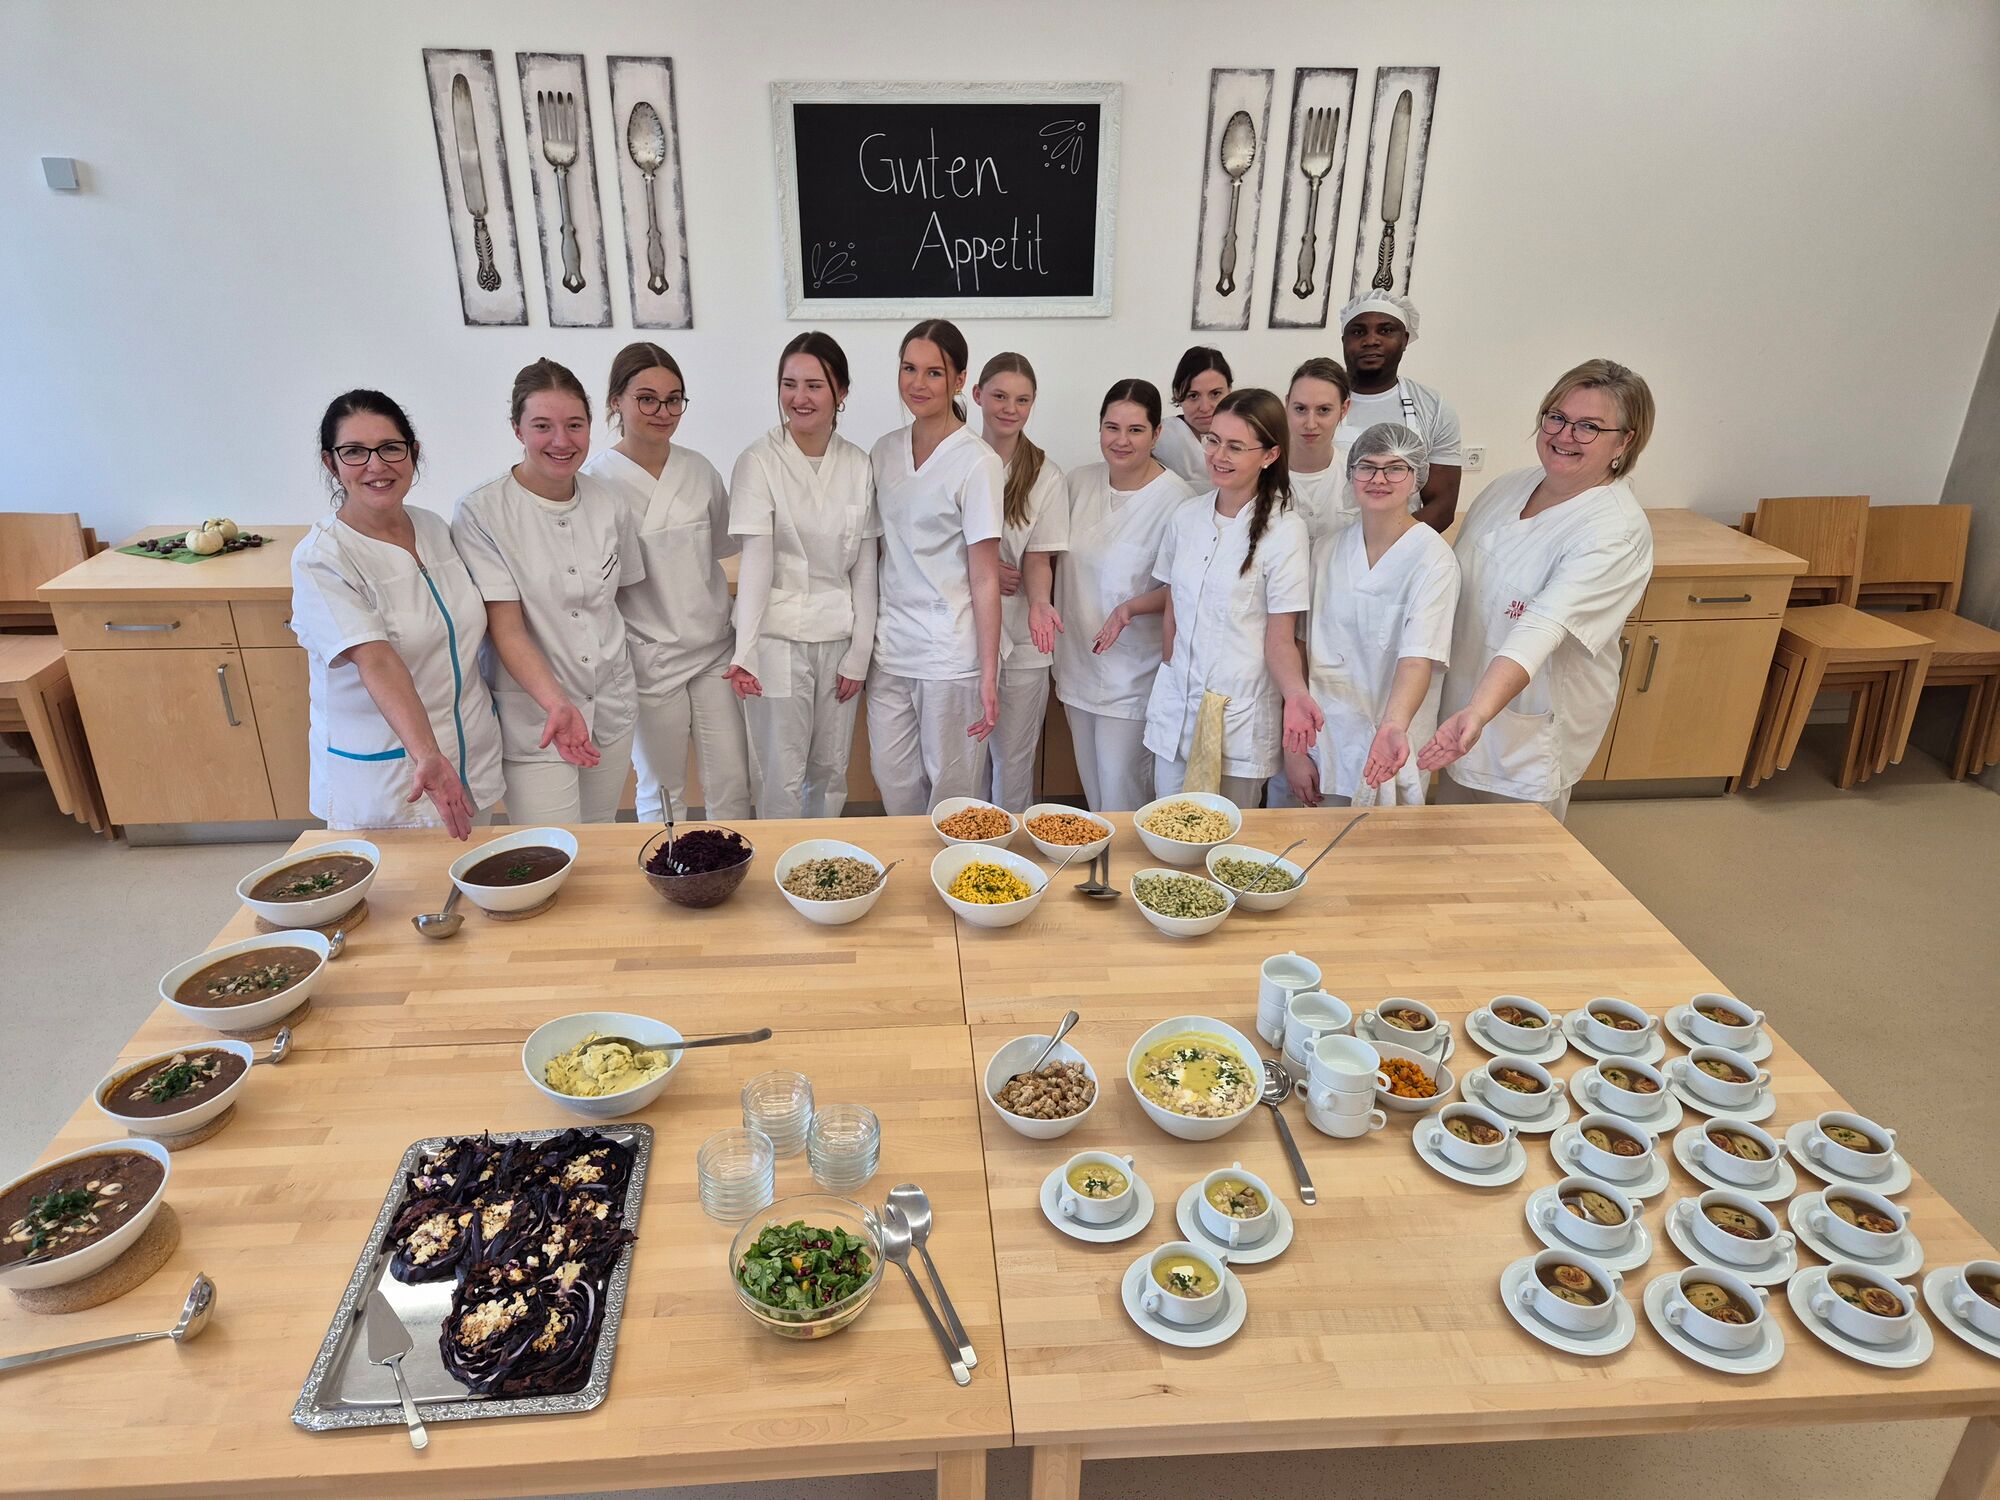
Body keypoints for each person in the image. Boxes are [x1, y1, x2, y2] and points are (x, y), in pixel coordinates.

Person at [1416, 359, 1658, 821]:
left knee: (1516, 851)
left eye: (1589, 426)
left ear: (1625, 441)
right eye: (1557, 417)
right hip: (1462, 710)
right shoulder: (1509, 488)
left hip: (1526, 726)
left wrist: (1479, 711)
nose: (1565, 435)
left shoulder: (1614, 532)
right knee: (1452, 839)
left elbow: (1540, 627)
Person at [291, 390, 504, 836]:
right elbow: (377, 660)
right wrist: (428, 754)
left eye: (390, 447)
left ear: (413, 453)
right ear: (331, 463)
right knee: (402, 883)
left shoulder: (434, 528)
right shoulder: (323, 557)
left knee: (473, 875)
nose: (376, 465)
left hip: (470, 760)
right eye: (354, 452)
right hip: (393, 777)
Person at [452, 358, 642, 824]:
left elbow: (617, 600)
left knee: (599, 837)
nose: (562, 441)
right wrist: (557, 702)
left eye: (574, 425)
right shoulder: (483, 511)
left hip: (610, 704)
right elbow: (506, 630)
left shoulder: (609, 502)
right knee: (550, 849)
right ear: (517, 429)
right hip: (536, 717)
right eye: (543, 426)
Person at [582, 343, 751, 823]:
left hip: (714, 650)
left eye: (673, 399)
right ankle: (666, 864)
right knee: (662, 787)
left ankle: (732, 861)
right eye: (647, 399)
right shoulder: (595, 484)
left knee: (732, 780)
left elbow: (720, 547)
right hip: (649, 659)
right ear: (616, 401)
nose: (663, 412)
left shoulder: (699, 470)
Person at [725, 332, 879, 820]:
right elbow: (757, 561)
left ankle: (820, 859)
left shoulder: (858, 464)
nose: (799, 397)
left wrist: (859, 653)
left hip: (838, 636)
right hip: (777, 639)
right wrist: (746, 650)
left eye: (815, 385)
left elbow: (865, 566)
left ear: (841, 392)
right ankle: (781, 860)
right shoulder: (758, 461)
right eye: (789, 384)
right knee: (780, 771)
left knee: (831, 770)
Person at [1140, 388, 1313, 805]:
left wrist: (1296, 697)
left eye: (1236, 447)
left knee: (1226, 832)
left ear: (1269, 455)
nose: (1219, 455)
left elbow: (1281, 638)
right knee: (1166, 822)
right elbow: (1173, 608)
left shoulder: (1285, 531)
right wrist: (1172, 665)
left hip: (1239, 715)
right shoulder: (1186, 517)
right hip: (1177, 708)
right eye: (1213, 440)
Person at [1281, 423, 1460, 807]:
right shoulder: (1325, 551)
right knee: (1307, 841)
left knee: (1381, 842)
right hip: (1321, 739)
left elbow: (1418, 659)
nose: (1379, 479)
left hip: (1390, 741)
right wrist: (1295, 751)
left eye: (1395, 468)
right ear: (1351, 475)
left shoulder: (1433, 560)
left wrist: (1393, 726)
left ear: (1416, 478)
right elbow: (1299, 645)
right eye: (1367, 467)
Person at [866, 319, 1005, 815]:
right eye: (909, 369)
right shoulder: (884, 451)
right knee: (894, 782)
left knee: (953, 795)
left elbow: (985, 576)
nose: (917, 383)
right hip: (890, 648)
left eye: (933, 372)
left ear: (960, 380)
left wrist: (988, 673)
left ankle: (953, 868)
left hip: (949, 654)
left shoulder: (978, 462)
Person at [1052, 380, 1196, 813]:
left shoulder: (1179, 502)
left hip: (1134, 676)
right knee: (1093, 792)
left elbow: (1188, 589)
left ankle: (1129, 860)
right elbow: (1046, 552)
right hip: (1076, 664)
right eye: (1111, 427)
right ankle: (1100, 859)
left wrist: (1132, 607)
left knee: (1122, 792)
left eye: (1136, 430)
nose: (1121, 440)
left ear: (1157, 434)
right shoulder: (1077, 483)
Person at [974, 352, 1068, 811]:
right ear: (977, 395)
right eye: (999, 396)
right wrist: (986, 570)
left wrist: (1039, 602)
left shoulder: (1046, 475)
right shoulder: (958, 461)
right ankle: (965, 847)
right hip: (966, 633)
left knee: (1013, 762)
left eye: (1022, 400)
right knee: (967, 762)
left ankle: (1008, 849)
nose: (1010, 409)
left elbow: (1038, 555)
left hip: (1025, 641)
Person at [1335, 291, 1464, 528]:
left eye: (1385, 330)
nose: (1371, 340)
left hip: (1401, 543)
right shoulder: (1316, 400)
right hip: (1321, 543)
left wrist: (1385, 543)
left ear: (1404, 339)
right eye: (1358, 332)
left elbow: (1442, 506)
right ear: (1344, 339)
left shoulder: (1433, 408)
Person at [1284, 357, 1357, 547]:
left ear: (1344, 409)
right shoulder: (1258, 473)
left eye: (1323, 410)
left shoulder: (1359, 475)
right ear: (1287, 404)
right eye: (1300, 409)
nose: (1310, 424)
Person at [1154, 346, 1232, 485]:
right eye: (1193, 396)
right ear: (1177, 394)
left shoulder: (1250, 436)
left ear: (1229, 391)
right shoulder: (1159, 438)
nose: (1205, 408)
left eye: (1215, 394)